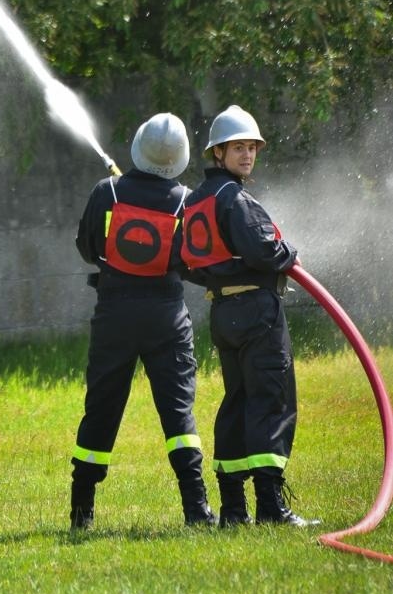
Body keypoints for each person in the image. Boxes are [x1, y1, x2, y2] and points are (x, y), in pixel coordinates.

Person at [70, 112, 215, 531]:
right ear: (179, 157)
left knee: (101, 408)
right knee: (178, 413)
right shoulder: (187, 202)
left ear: (138, 147)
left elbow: (86, 247)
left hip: (114, 314)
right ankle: (196, 509)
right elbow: (192, 260)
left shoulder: (107, 192)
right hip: (166, 317)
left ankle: (82, 511)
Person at [182, 104, 317, 528]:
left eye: (251, 147)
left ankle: (234, 510)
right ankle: (272, 508)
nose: (246, 155)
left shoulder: (196, 201)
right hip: (257, 313)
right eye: (237, 147)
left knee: (237, 402)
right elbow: (264, 250)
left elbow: (184, 261)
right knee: (270, 400)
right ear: (217, 153)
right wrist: (288, 253)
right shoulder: (235, 198)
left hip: (223, 312)